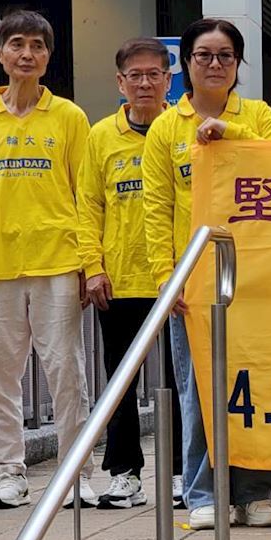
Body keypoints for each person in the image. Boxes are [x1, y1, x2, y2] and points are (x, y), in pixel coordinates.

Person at [0, 9, 94, 510]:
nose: (27, 54)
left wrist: (88, 262)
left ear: (49, 57)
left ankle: (75, 474)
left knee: (67, 373)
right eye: (17, 44)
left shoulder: (70, 117)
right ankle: (7, 473)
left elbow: (85, 195)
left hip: (58, 261)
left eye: (37, 45)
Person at [143, 18, 271, 531]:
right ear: (186, 63)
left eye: (226, 56)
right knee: (198, 387)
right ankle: (202, 493)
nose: (215, 64)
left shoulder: (260, 116)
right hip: (194, 282)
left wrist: (231, 133)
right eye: (204, 55)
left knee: (256, 385)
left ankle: (256, 492)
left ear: (239, 65)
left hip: (255, 277)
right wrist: (167, 276)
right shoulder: (166, 127)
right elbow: (156, 207)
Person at [77, 37, 182, 509]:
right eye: (134, 76)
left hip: (174, 280)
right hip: (119, 279)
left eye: (153, 74)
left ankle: (181, 472)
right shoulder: (100, 136)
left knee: (179, 381)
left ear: (168, 79)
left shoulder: (181, 130)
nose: (144, 83)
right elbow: (87, 206)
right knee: (120, 381)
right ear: (120, 82)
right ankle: (124, 474)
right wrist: (92, 268)